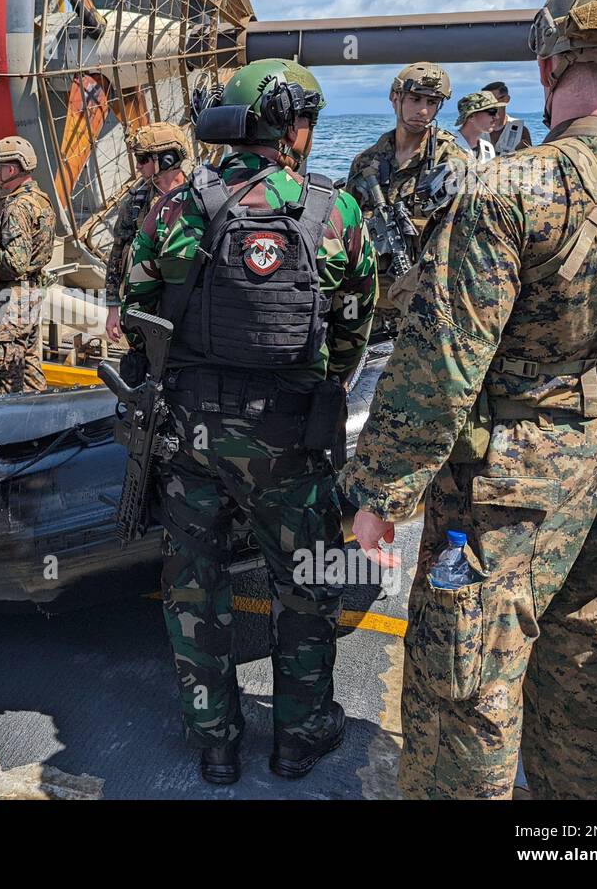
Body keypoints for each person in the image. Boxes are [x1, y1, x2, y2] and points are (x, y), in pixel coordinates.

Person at [342, 0, 597, 799]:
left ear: (546, 66)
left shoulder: (511, 187)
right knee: (589, 679)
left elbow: (442, 365)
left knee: (463, 695)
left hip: (507, 485)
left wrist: (381, 493)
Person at [121, 58, 376, 785]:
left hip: (192, 439)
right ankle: (300, 736)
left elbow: (135, 318)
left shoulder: (174, 208)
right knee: (307, 584)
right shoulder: (336, 210)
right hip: (293, 441)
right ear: (294, 124)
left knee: (195, 586)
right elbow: (356, 327)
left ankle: (216, 741)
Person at [346, 62, 469, 334]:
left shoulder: (452, 162)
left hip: (427, 302)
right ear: (395, 97)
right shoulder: (366, 162)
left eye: (432, 101)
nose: (423, 110)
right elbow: (348, 233)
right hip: (373, 300)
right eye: (415, 99)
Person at [0, 137, 55, 394]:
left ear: (12, 169)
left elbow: (16, 263)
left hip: (9, 304)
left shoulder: (17, 206)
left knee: (1, 383)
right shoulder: (40, 200)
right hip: (28, 296)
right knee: (28, 371)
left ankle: (5, 432)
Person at [104, 121, 191, 344]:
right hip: (145, 308)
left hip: (187, 304)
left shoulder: (199, 199)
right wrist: (113, 306)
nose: (138, 167)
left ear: (167, 159)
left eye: (143, 159)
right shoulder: (135, 203)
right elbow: (117, 253)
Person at [482, 80, 534, 153]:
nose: (488, 106)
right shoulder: (476, 130)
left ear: (506, 99)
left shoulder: (521, 131)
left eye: (492, 101)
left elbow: (532, 160)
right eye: (484, 103)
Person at [452, 91, 499, 162]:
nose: (497, 117)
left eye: (496, 112)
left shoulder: (488, 148)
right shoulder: (449, 145)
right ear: (471, 116)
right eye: (492, 112)